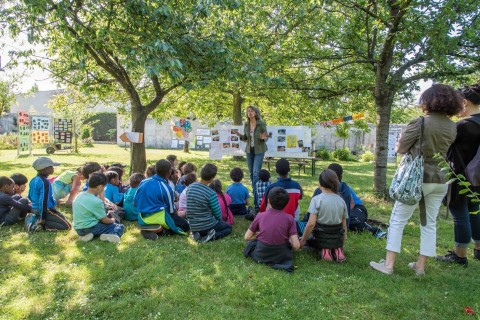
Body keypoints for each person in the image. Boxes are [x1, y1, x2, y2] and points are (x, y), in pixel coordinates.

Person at [370, 84, 462, 276]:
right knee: (429, 222)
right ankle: (420, 266)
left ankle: (388, 265)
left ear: (428, 100)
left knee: (398, 219)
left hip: (417, 177)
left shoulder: (420, 122)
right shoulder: (452, 127)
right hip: (441, 179)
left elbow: (401, 148)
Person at [437, 83, 480, 266]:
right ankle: (478, 249)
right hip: (477, 177)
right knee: (475, 211)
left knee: (459, 214)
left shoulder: (463, 126)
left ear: (464, 102)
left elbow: (443, 147)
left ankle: (459, 255)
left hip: (459, 176)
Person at [244, 187, 300, 272]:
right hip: (281, 256)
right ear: (287, 203)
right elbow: (296, 245)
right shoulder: (290, 218)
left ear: (269, 201)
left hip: (260, 254)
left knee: (251, 244)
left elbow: (247, 237)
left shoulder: (260, 216)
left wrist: (258, 236)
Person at [135, 159, 189, 240]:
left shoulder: (144, 181)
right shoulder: (167, 188)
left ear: (156, 169)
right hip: (159, 217)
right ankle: (161, 231)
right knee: (185, 226)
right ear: (169, 171)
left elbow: (135, 201)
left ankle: (149, 228)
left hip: (142, 217)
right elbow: (171, 211)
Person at [300, 169, 348, 263]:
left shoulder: (316, 200)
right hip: (337, 237)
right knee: (334, 236)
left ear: (320, 184)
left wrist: (303, 239)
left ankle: (325, 251)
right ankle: (337, 249)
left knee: (308, 243)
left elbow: (311, 224)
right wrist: (343, 239)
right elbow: (344, 224)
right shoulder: (341, 200)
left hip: (320, 237)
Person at [73, 172, 125, 243]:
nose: (103, 189)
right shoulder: (97, 201)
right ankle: (112, 235)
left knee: (99, 226)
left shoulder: (79, 195)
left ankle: (87, 236)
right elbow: (104, 220)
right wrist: (112, 221)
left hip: (78, 229)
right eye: (104, 187)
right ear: (99, 187)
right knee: (119, 226)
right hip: (90, 227)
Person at [186, 163, 232, 242]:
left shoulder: (190, 187)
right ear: (212, 178)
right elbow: (218, 215)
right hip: (207, 225)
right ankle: (211, 236)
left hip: (193, 226)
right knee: (228, 228)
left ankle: (197, 234)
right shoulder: (211, 193)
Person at [234, 105, 269, 206]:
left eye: (252, 111)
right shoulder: (246, 124)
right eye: (248, 111)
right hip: (249, 150)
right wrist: (241, 136)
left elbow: (266, 137)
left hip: (259, 150)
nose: (250, 112)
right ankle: (256, 192)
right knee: (251, 173)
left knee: (255, 172)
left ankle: (256, 199)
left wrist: (263, 137)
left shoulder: (261, 123)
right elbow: (246, 138)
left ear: (255, 112)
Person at [28, 157, 72, 231]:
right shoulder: (45, 182)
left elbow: (29, 196)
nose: (53, 168)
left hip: (36, 208)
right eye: (51, 167)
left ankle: (36, 217)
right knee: (67, 226)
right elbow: (43, 201)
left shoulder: (33, 180)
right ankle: (38, 224)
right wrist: (43, 217)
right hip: (44, 210)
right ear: (45, 169)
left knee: (63, 219)